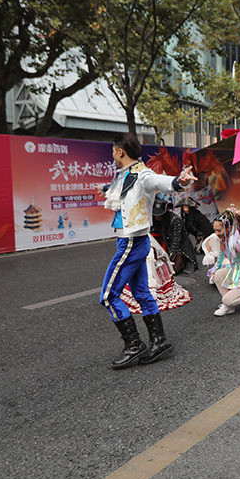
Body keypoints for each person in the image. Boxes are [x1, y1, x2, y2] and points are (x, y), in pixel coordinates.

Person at [99, 133, 196, 369]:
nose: (112, 155)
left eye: (113, 151)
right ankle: (159, 341)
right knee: (141, 293)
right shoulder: (125, 176)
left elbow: (160, 182)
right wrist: (104, 188)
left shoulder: (142, 174)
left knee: (109, 296)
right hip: (136, 241)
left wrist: (179, 181)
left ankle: (134, 346)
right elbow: (119, 195)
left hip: (131, 242)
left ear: (120, 151)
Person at [118, 234, 192, 313]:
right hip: (136, 234)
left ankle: (148, 291)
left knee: (146, 260)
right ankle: (145, 290)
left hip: (137, 233)